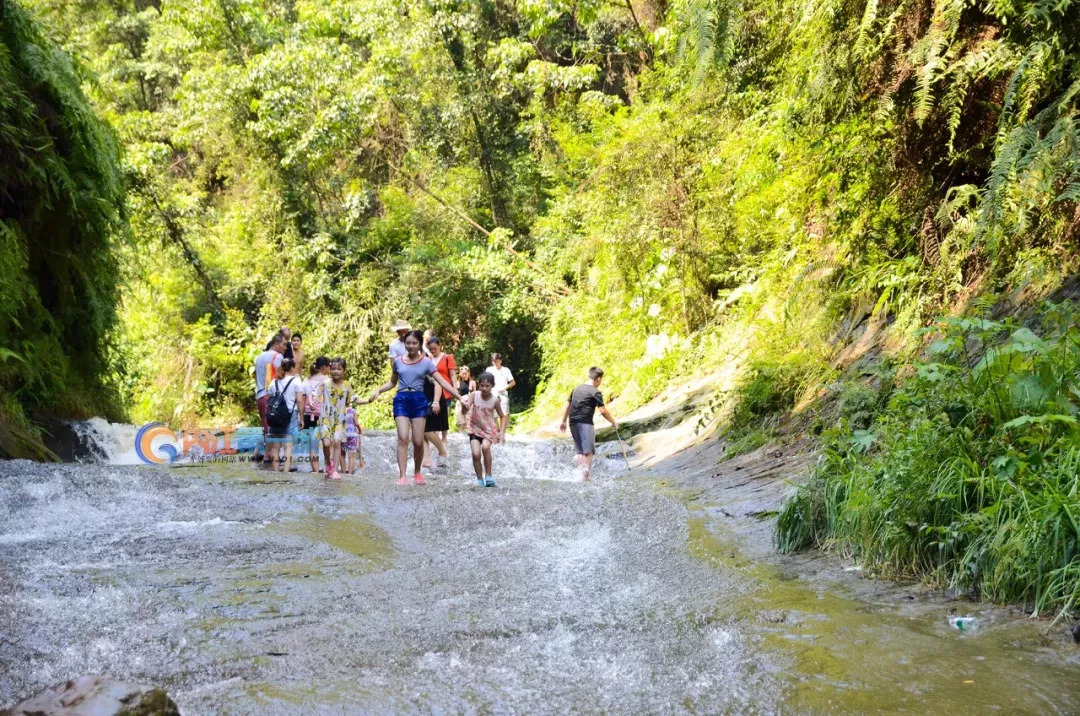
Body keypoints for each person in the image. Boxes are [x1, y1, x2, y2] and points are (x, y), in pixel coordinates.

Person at [362, 330, 463, 486]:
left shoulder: (426, 363)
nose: (410, 346)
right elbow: (392, 383)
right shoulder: (397, 362)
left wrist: (460, 397)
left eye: (414, 343)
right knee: (403, 437)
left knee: (417, 441)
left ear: (420, 344)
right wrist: (378, 391)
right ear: (404, 344)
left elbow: (442, 382)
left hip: (419, 400)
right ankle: (402, 476)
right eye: (408, 343)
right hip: (401, 399)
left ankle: (417, 473)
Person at [559, 367, 618, 481]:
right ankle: (585, 477)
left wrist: (563, 421)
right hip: (585, 423)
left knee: (580, 451)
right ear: (598, 379)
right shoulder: (595, 392)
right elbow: (603, 411)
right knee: (589, 451)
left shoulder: (576, 389)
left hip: (573, 422)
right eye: (601, 380)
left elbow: (567, 405)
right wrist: (613, 422)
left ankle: (581, 475)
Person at [467, 372, 507, 487]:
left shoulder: (495, 400)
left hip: (489, 430)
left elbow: (502, 416)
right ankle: (480, 479)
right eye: (482, 385)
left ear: (492, 386)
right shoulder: (474, 395)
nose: (484, 388)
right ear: (478, 385)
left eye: (487, 386)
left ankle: (488, 475)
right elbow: (466, 408)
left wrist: (502, 432)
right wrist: (465, 407)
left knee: (485, 447)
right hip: (475, 428)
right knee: (475, 454)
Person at [422, 336, 456, 468]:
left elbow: (450, 376)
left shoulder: (446, 358)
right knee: (423, 429)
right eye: (431, 349)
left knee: (428, 429)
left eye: (434, 348)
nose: (433, 351)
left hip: (441, 392)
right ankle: (426, 458)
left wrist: (454, 389)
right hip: (426, 396)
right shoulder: (426, 361)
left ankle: (443, 450)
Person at [266, 358, 306, 473]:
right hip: (290, 414)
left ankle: (276, 471)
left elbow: (271, 398)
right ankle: (286, 472)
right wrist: (302, 418)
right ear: (292, 368)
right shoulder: (296, 381)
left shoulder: (274, 381)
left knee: (275, 446)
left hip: (275, 415)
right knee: (288, 446)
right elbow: (299, 401)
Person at [316, 357, 353, 480]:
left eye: (339, 369)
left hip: (339, 418)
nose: (336, 371)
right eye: (333, 369)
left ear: (344, 371)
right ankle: (329, 464)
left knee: (337, 442)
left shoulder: (347, 385)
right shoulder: (324, 383)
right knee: (326, 443)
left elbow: (351, 401)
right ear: (330, 370)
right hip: (326, 416)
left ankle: (334, 470)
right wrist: (312, 402)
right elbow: (315, 396)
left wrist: (368, 400)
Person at [253, 334, 287, 465]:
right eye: (284, 345)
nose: (285, 347)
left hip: (260, 395)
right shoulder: (277, 357)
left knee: (266, 426)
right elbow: (278, 377)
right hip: (271, 395)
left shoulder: (260, 357)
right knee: (275, 427)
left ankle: (267, 454)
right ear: (276, 344)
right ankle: (271, 456)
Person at [303, 356, 330, 473]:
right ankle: (328, 467)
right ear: (324, 367)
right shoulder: (327, 381)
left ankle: (316, 470)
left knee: (313, 444)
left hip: (308, 414)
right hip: (323, 414)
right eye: (329, 366)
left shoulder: (307, 380)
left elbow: (303, 399)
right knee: (326, 442)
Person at [486, 353, 516, 439]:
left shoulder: (506, 370)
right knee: (493, 414)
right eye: (494, 362)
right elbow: (485, 381)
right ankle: (497, 431)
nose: (496, 363)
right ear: (492, 362)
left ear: (501, 361)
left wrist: (505, 388)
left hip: (503, 394)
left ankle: (503, 432)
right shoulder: (489, 370)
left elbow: (513, 382)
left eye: (498, 361)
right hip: (492, 394)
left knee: (504, 413)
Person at [455, 365, 476, 433]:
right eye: (463, 373)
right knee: (461, 422)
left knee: (469, 420)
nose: (464, 375)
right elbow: (455, 393)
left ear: (468, 373)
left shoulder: (472, 382)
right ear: (460, 374)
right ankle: (461, 435)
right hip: (460, 402)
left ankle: (470, 436)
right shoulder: (457, 383)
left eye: (466, 373)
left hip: (469, 402)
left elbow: (474, 393)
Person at [343, 406, 364, 473]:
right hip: (352, 434)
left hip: (343, 434)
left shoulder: (340, 410)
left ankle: (343, 472)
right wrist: (360, 430)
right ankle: (349, 473)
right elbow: (356, 423)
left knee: (341, 455)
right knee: (351, 456)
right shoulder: (353, 411)